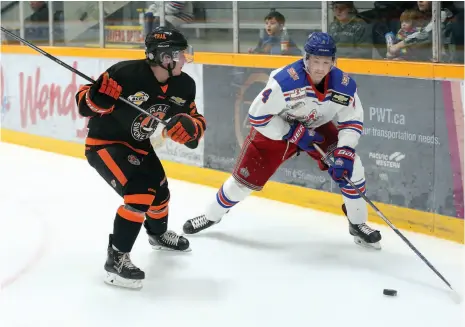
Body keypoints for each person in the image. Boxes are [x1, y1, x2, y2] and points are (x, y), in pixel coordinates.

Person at [183, 32, 382, 250]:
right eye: (315, 61)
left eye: (326, 62)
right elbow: (257, 116)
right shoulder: (284, 81)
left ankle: (357, 223)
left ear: (333, 62)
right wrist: (292, 132)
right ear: (306, 59)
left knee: (352, 168)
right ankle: (212, 215)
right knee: (241, 185)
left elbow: (352, 120)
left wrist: (344, 150)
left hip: (316, 128)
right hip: (274, 131)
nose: (319, 68)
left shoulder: (343, 85)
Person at [75, 27, 206, 289]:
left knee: (160, 192)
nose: (185, 59)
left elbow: (195, 120)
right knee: (140, 190)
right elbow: (83, 103)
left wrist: (191, 129)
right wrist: (96, 99)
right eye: (180, 54)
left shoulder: (184, 84)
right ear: (164, 57)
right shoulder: (124, 73)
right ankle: (117, 258)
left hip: (138, 144)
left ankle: (157, 235)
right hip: (105, 143)